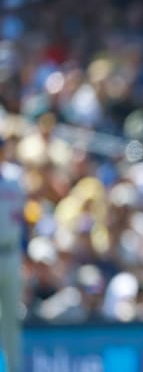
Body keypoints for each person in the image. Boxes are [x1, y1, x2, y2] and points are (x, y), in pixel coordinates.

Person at [0, 135, 26, 372]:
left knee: (11, 321)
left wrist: (24, 253)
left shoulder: (14, 179)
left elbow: (23, 221)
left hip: (10, 254)